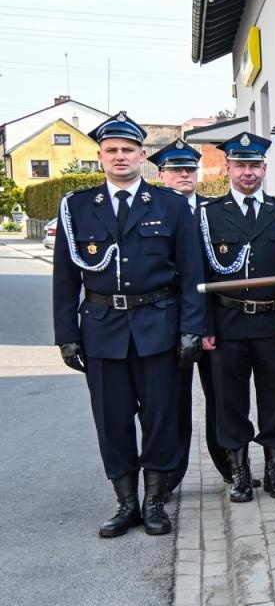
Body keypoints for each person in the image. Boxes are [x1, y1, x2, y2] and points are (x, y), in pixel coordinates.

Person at [54, 112, 205, 537]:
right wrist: (66, 335)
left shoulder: (170, 205)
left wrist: (191, 327)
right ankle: (125, 503)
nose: (120, 157)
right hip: (101, 329)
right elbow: (65, 278)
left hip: (157, 325)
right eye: (111, 150)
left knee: (160, 417)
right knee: (112, 418)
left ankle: (155, 500)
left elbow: (192, 274)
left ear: (143, 156)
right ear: (100, 156)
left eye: (128, 150)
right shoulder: (78, 208)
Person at [199, 132, 275, 502]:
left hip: (272, 323)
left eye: (254, 165)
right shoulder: (208, 215)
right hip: (226, 324)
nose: (248, 173)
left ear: (264, 168)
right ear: (227, 169)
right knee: (230, 401)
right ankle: (239, 472)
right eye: (240, 165)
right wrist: (205, 327)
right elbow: (201, 277)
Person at [153, 138, 232, 488]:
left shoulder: (213, 211)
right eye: (176, 169)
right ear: (161, 174)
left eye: (189, 169)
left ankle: (230, 466)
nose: (184, 174)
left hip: (212, 323)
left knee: (220, 399)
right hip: (170, 322)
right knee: (173, 401)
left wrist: (207, 325)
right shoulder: (153, 210)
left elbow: (216, 272)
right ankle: (170, 476)